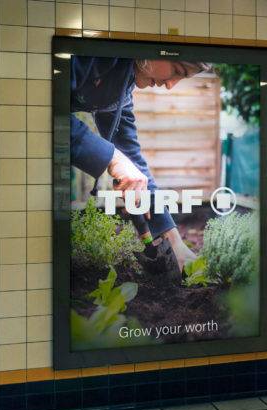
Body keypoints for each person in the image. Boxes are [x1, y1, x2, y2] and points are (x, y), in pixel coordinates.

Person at [70, 56, 209, 271]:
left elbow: (134, 163)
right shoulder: (92, 56)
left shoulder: (122, 89)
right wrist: (112, 158)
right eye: (177, 70)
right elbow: (41, 108)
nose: (171, 85)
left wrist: (175, 241)